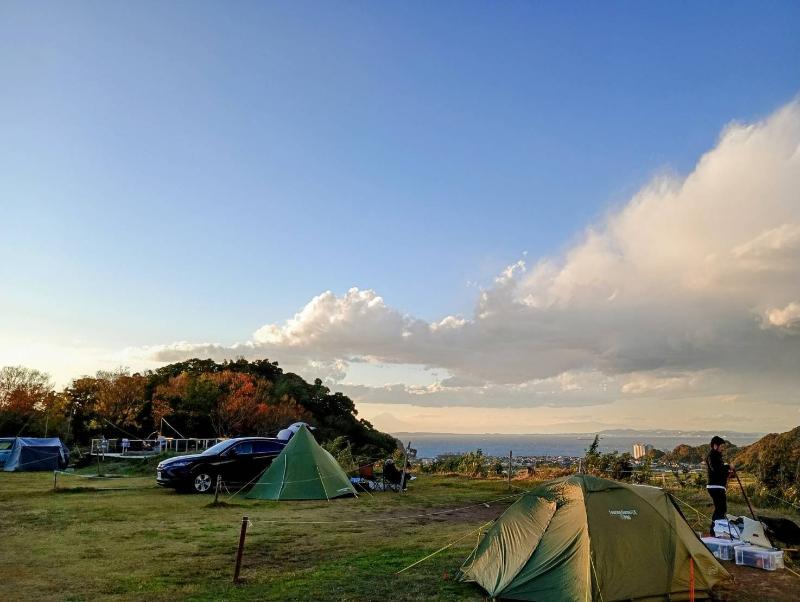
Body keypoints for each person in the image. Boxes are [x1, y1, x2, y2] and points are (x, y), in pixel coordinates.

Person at [706, 435, 733, 536]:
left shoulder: (716, 456)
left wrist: (728, 471)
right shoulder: (712, 456)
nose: (722, 449)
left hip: (717, 486)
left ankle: (716, 530)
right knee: (721, 509)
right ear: (715, 446)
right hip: (715, 486)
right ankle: (715, 531)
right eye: (721, 446)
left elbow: (720, 471)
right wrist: (728, 467)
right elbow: (716, 469)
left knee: (721, 509)